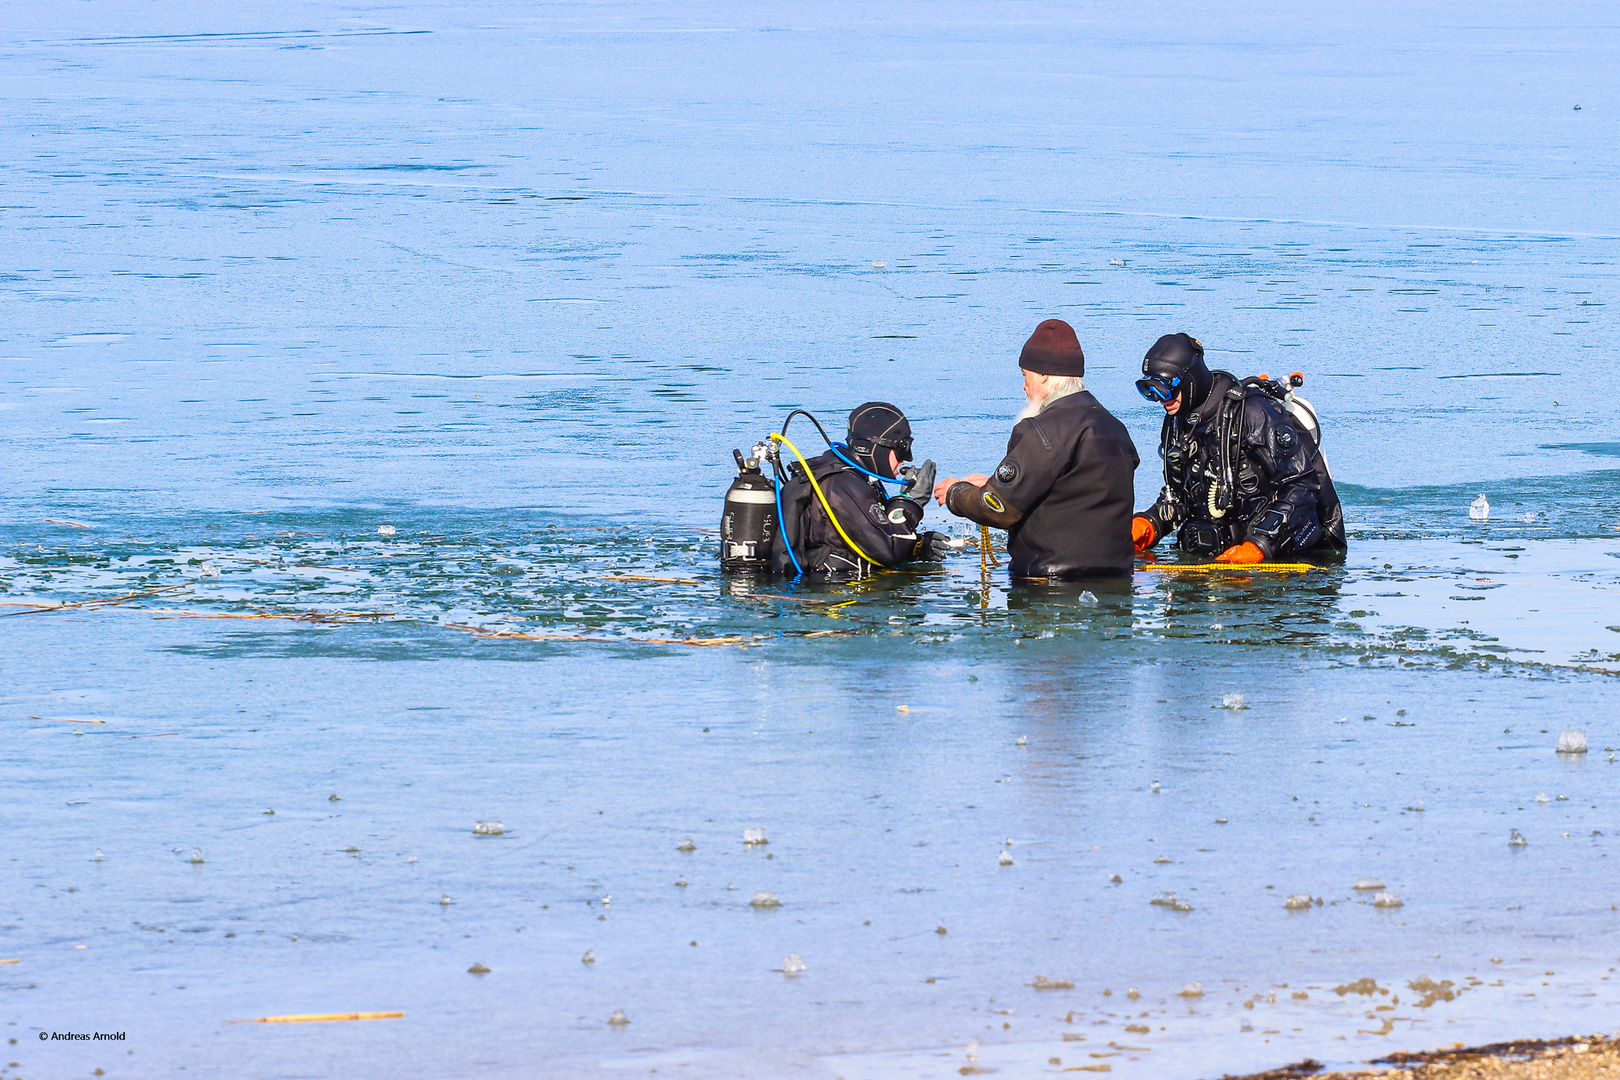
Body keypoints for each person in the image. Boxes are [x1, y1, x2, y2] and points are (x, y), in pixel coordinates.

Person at [932, 319, 1139, 579]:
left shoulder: (1041, 430)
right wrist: (993, 484)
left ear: (1043, 374)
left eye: (1025, 376)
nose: (1024, 386)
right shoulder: (1115, 428)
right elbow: (1072, 496)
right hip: (1117, 579)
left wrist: (955, 493)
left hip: (1049, 587)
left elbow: (999, 509)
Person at [1130, 332, 1346, 563]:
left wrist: (1259, 546)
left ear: (1189, 379)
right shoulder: (1177, 420)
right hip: (1218, 557)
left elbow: (1302, 485)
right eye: (1148, 390)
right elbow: (1182, 496)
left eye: (1165, 389)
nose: (1160, 399)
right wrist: (1150, 523)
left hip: (1277, 557)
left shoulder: (1253, 413)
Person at [770, 402, 951, 578]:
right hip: (829, 596)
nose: (906, 459)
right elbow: (887, 551)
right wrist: (912, 501)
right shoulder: (842, 484)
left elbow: (871, 534)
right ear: (878, 448)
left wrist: (917, 547)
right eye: (902, 449)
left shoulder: (851, 478)